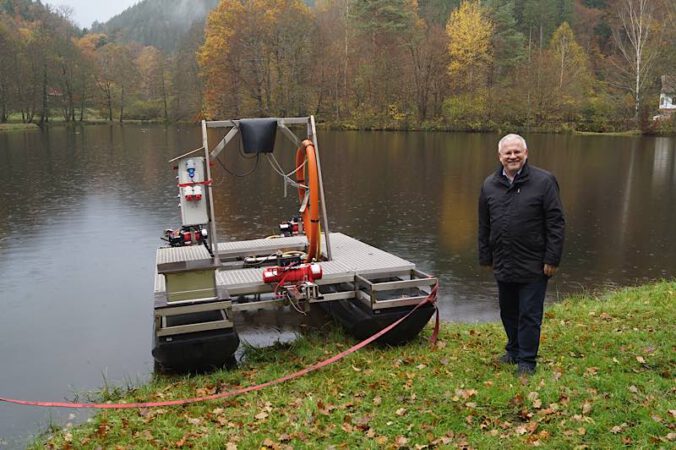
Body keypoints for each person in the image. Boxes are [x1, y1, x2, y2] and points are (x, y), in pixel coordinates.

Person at [478, 134, 565, 375]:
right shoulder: (489, 185)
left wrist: (552, 258)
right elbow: (484, 224)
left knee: (529, 313)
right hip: (503, 261)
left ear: (525, 153)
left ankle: (527, 360)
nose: (513, 156)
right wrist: (486, 256)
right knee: (508, 311)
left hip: (535, 263)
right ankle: (513, 350)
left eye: (517, 152)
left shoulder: (544, 181)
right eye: (508, 153)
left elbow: (556, 223)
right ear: (500, 156)